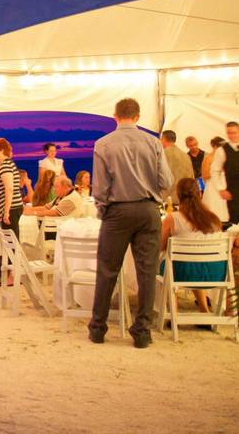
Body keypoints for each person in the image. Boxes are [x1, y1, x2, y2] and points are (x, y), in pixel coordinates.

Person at [89, 98, 173, 348]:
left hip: (117, 211)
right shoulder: (153, 142)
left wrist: (104, 210)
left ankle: (98, 328)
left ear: (115, 115)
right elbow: (166, 180)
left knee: (107, 270)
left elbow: (100, 187)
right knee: (146, 272)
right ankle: (142, 331)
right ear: (138, 116)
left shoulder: (103, 144)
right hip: (148, 210)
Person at [159, 178, 226, 313]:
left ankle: (173, 311)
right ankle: (204, 309)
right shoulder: (214, 219)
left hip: (182, 273)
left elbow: (160, 246)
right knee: (195, 259)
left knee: (170, 263)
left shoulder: (173, 218)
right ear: (199, 194)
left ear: (178, 196)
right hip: (215, 273)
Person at [210, 121, 239, 230]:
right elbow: (214, 171)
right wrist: (221, 189)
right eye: (229, 133)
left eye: (234, 133)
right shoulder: (222, 150)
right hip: (234, 191)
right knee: (235, 222)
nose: (232, 136)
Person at [0, 138, 23, 237]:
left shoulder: (5, 165)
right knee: (10, 240)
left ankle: (13, 253)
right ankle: (9, 253)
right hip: (12, 207)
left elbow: (9, 188)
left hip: (11, 208)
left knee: (11, 240)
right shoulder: (3, 165)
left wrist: (6, 212)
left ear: (2, 150)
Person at [160, 130, 194, 205]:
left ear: (163, 139)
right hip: (184, 197)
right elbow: (191, 177)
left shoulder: (163, 154)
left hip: (167, 198)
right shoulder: (186, 155)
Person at [201, 137, 229, 222]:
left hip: (223, 185)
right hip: (212, 186)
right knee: (213, 206)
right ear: (215, 147)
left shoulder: (224, 158)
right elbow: (205, 175)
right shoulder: (208, 158)